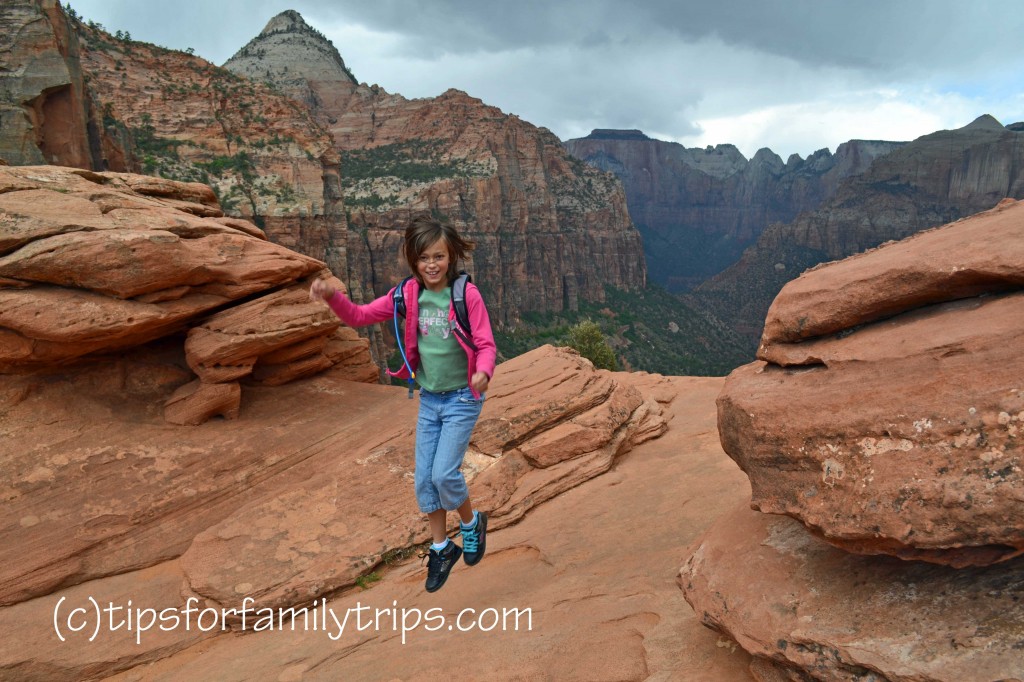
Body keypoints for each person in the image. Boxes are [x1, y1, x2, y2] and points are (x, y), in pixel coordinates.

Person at [309, 215, 497, 593]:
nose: (432, 264)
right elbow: (360, 316)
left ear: (451, 258)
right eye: (424, 257)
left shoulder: (465, 295)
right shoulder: (406, 296)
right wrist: (332, 297)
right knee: (424, 480)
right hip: (429, 399)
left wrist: (484, 372)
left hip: (462, 397)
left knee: (445, 475)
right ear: (414, 260)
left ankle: (471, 522)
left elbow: (486, 343)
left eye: (439, 256)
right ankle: (442, 547)